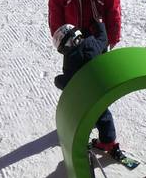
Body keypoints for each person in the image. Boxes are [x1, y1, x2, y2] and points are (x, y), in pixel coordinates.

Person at [52, 17, 127, 162]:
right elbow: (103, 39)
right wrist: (99, 24)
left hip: (88, 96)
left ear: (65, 47)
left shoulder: (70, 61)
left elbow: (69, 82)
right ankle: (101, 134)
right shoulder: (93, 43)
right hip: (103, 87)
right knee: (102, 113)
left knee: (99, 116)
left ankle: (107, 142)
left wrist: (58, 80)